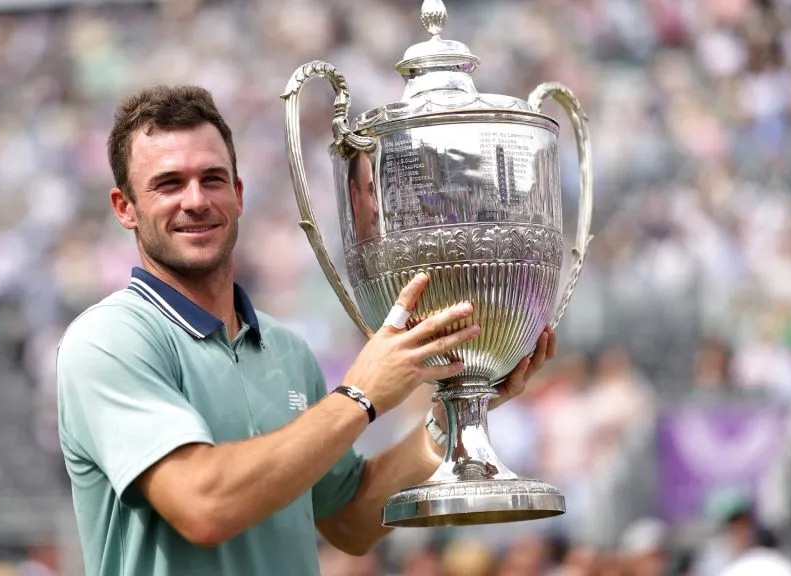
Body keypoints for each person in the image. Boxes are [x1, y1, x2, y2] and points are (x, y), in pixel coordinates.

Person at [54, 85, 557, 576]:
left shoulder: (286, 349)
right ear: (125, 208)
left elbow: (348, 523)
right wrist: (360, 395)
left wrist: (452, 419)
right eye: (168, 184)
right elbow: (202, 506)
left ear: (238, 193)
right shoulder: (108, 340)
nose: (195, 200)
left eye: (212, 179)